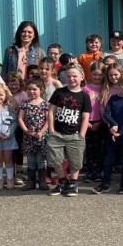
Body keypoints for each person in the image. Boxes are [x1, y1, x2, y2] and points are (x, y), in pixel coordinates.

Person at [47, 64, 91, 197]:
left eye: (75, 76)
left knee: (75, 161)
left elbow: (85, 117)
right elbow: (51, 112)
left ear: (82, 77)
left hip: (75, 135)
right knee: (55, 160)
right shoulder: (59, 92)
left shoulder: (84, 96)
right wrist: (51, 130)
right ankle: (62, 181)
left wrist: (82, 135)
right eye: (69, 76)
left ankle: (73, 183)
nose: (72, 79)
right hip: (57, 134)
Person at [96, 73, 123, 194]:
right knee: (108, 160)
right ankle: (105, 184)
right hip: (112, 134)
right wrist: (113, 125)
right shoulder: (113, 98)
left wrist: (120, 132)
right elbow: (106, 113)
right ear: (119, 85)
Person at [17, 78, 50, 191]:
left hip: (41, 137)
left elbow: (48, 120)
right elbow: (20, 119)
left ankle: (42, 181)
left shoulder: (45, 104)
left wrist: (41, 132)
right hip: (28, 137)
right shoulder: (25, 104)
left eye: (34, 89)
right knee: (30, 160)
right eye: (29, 89)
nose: (31, 91)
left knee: (40, 160)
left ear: (41, 90)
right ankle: (30, 182)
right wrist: (26, 130)